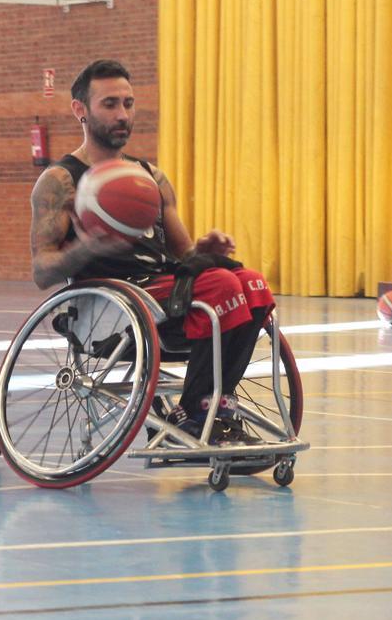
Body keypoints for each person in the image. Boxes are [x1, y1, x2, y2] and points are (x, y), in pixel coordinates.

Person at [29, 59, 275, 444]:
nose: (123, 114)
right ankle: (195, 411)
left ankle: (214, 402)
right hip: (108, 308)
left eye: (128, 103)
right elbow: (42, 270)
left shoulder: (150, 177)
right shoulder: (61, 181)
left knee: (252, 284)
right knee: (223, 286)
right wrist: (88, 246)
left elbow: (183, 256)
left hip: (163, 295)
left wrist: (203, 251)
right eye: (110, 104)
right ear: (80, 110)